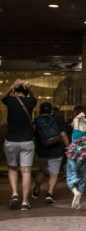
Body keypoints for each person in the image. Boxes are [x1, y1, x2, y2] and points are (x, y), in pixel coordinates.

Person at [2, 79, 37, 210]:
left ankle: (14, 193)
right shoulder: (30, 102)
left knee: (12, 168)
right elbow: (35, 98)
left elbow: (3, 97)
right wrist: (30, 88)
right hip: (27, 141)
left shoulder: (10, 101)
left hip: (11, 140)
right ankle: (25, 202)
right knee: (26, 171)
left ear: (15, 92)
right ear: (27, 93)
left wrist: (12, 86)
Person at [32, 102, 70, 205]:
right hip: (56, 151)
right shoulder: (57, 120)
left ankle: (36, 188)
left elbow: (33, 135)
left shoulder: (36, 120)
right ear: (51, 110)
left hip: (41, 151)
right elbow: (63, 134)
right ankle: (50, 193)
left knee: (41, 170)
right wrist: (68, 146)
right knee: (54, 174)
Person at [66, 106, 86, 210]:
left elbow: (75, 121)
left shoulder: (76, 120)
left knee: (71, 174)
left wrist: (80, 115)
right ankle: (78, 202)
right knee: (82, 177)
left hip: (74, 153)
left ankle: (75, 192)